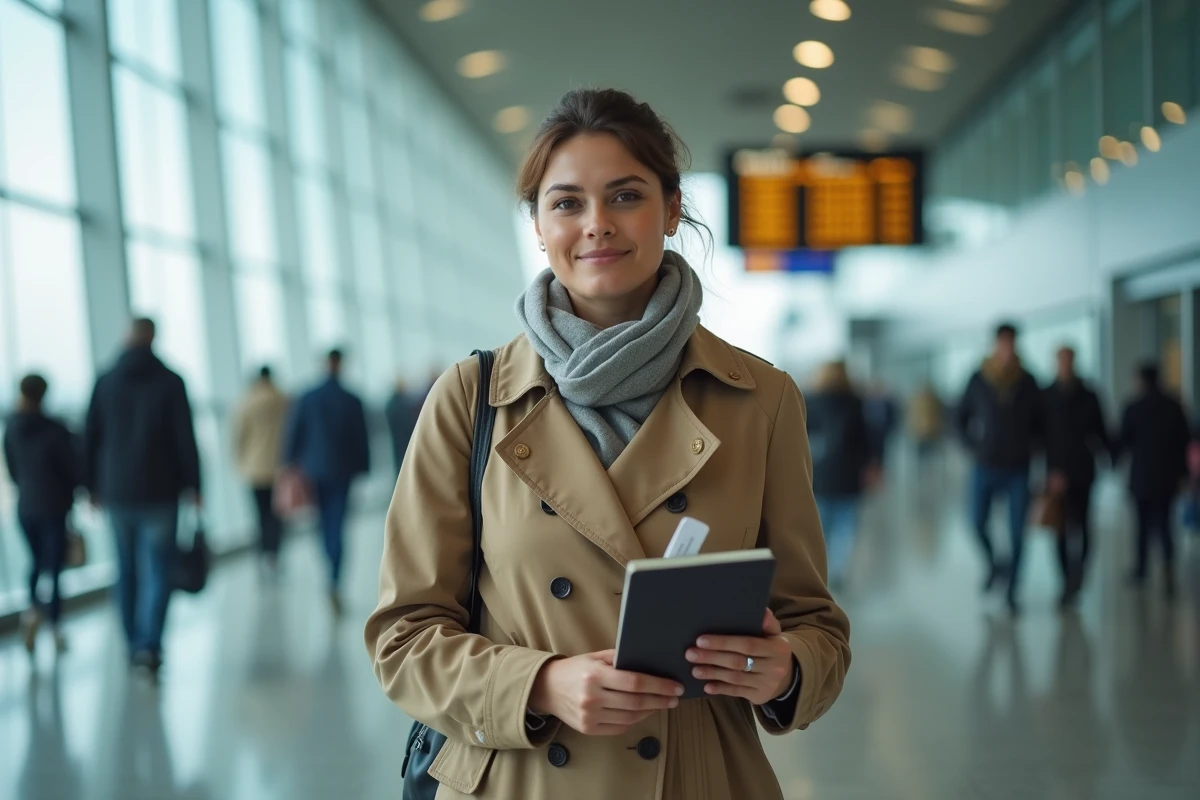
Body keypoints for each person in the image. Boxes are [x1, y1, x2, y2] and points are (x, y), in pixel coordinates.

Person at [364, 88, 850, 800]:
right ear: (537, 223)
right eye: (566, 203)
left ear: (672, 208)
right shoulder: (471, 399)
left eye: (625, 196)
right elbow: (402, 638)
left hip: (697, 777)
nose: (597, 225)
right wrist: (541, 684)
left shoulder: (760, 401)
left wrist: (786, 671)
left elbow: (816, 627)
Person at [84, 318, 201, 677]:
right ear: (152, 339)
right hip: (161, 491)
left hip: (117, 491)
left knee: (126, 569)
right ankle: (149, 645)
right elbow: (185, 438)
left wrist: (91, 486)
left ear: (126, 337)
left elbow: (90, 438)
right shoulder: (171, 381)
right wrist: (195, 485)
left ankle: (133, 641)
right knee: (158, 569)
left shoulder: (105, 382)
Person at [955, 322, 1042, 614]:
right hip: (985, 465)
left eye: (1011, 343)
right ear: (995, 344)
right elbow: (959, 417)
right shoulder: (979, 378)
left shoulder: (1028, 381)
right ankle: (994, 564)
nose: (1007, 348)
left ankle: (1012, 591)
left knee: (1017, 532)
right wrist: (972, 445)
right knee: (976, 522)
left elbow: (1041, 426)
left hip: (1018, 467)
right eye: (1002, 343)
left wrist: (1034, 448)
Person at [284, 348, 370, 614]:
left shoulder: (308, 397)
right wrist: (364, 467)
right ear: (341, 364)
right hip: (343, 472)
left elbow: (294, 433)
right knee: (338, 523)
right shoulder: (352, 399)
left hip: (315, 471)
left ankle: (329, 566)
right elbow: (361, 437)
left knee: (323, 522)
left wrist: (288, 465)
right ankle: (334, 575)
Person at [3, 374, 82, 654]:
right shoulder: (55, 428)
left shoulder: (12, 427)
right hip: (54, 506)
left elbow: (12, 469)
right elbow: (71, 468)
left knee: (37, 563)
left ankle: (32, 612)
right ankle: (55, 624)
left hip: (26, 506)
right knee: (55, 568)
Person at [1041, 346, 1112, 608]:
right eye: (1060, 361)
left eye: (1068, 360)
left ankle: (1079, 573)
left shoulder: (1089, 395)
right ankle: (1065, 582)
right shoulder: (1046, 396)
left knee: (1082, 526)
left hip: (1083, 471)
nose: (1065, 365)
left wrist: (1111, 457)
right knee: (1060, 530)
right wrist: (1050, 471)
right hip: (1056, 474)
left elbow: (1101, 431)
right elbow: (1042, 438)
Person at [1116, 363, 1190, 598]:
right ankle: (1168, 569)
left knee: (1142, 527)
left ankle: (1141, 569)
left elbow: (1122, 441)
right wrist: (1184, 474)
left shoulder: (1134, 407)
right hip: (1167, 478)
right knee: (1165, 526)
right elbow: (1185, 441)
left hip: (1142, 478)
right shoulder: (1174, 406)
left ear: (1141, 380)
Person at [806, 361, 872, 590]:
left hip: (819, 475)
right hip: (848, 476)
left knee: (820, 527)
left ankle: (819, 571)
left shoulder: (809, 402)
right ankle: (838, 571)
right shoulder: (854, 402)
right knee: (846, 527)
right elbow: (864, 441)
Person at [233, 366, 289, 574]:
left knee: (259, 513)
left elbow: (239, 435)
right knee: (276, 514)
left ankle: (262, 552)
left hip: (254, 467)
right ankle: (275, 553)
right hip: (279, 466)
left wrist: (239, 460)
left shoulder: (247, 402)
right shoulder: (283, 400)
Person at [384, 378, 422, 476]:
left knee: (398, 462)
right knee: (404, 461)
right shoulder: (404, 403)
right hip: (404, 438)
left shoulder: (391, 403)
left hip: (396, 438)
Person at [906, 382, 943, 461]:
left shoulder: (934, 400)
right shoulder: (916, 401)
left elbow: (938, 415)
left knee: (932, 457)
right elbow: (911, 416)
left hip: (932, 432)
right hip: (919, 434)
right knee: (921, 458)